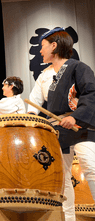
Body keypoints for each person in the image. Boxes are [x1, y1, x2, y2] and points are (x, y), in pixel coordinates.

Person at [28, 27, 95, 221]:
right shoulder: (49, 75)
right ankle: (69, 219)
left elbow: (91, 94)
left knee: (90, 167)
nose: (40, 51)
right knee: (64, 179)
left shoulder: (78, 68)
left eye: (43, 46)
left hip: (82, 127)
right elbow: (38, 103)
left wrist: (75, 117)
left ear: (54, 46)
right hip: (61, 132)